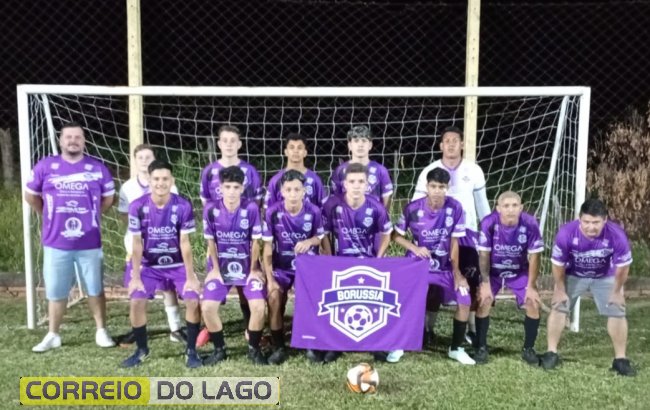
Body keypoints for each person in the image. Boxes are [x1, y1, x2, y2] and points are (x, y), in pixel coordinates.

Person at [25, 122, 116, 352]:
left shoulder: (97, 168)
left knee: (95, 288)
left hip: (89, 241)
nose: (73, 141)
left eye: (77, 137)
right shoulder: (46, 166)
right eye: (68, 137)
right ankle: (53, 334)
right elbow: (31, 196)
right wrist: (48, 215)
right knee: (56, 290)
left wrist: (93, 215)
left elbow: (108, 199)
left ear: (84, 141)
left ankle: (101, 331)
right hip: (56, 241)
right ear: (61, 140)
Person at [412, 126, 491, 345]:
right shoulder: (429, 171)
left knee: (470, 281)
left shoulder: (474, 170)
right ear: (441, 145)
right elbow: (416, 207)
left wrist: (487, 234)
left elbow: (483, 206)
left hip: (467, 234)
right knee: (434, 284)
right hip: (436, 236)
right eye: (447, 141)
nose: (451, 144)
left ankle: (471, 330)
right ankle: (428, 329)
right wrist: (419, 235)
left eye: (455, 140)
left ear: (462, 144)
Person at [540, 198, 635, 376]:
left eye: (596, 222)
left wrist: (617, 292)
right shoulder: (566, 233)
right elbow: (558, 264)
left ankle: (620, 360)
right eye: (586, 222)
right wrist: (559, 289)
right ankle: (551, 353)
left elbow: (623, 267)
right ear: (579, 219)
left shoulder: (616, 235)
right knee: (559, 306)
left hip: (605, 275)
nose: (591, 227)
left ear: (605, 220)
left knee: (617, 310)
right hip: (573, 274)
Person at [121, 160, 202, 368]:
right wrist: (136, 276)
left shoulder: (182, 205)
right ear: (149, 180)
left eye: (165, 178)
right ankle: (141, 350)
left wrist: (191, 276)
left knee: (193, 300)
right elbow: (136, 243)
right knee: (136, 300)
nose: (160, 183)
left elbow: (185, 243)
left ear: (172, 180)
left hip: (177, 265)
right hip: (149, 266)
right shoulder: (137, 206)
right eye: (156, 178)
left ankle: (191, 351)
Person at [394, 167, 474, 365]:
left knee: (465, 298)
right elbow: (395, 236)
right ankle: (399, 344)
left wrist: (457, 273)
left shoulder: (455, 208)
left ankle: (456, 348)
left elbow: (454, 243)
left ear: (448, 187)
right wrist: (415, 248)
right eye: (433, 186)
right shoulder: (413, 208)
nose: (437, 191)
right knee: (404, 299)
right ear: (426, 186)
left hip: (445, 267)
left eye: (442, 187)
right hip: (417, 266)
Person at [319, 163, 393, 364]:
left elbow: (386, 234)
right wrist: (328, 256)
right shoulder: (332, 205)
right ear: (344, 184)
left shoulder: (376, 207)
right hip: (339, 262)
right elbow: (323, 233)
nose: (356, 185)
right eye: (352, 181)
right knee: (335, 304)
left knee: (373, 303)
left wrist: (378, 259)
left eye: (361, 181)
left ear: (367, 184)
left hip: (367, 262)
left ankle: (376, 345)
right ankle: (335, 345)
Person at [198, 125, 263, 344]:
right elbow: (207, 206)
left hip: (244, 241)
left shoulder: (249, 172)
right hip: (222, 242)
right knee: (212, 292)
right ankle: (210, 329)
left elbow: (256, 203)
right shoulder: (209, 172)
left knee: (247, 290)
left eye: (233, 140)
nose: (228, 144)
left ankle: (249, 329)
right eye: (224, 140)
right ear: (218, 143)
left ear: (239, 144)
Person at [117, 144, 185, 345]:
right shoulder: (127, 187)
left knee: (168, 289)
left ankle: (176, 328)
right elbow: (124, 216)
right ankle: (137, 330)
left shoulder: (169, 186)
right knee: (137, 290)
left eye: (148, 157)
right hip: (138, 249)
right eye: (140, 158)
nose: (144, 161)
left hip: (165, 248)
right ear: (135, 161)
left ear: (154, 160)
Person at [201, 166, 268, 365]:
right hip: (221, 268)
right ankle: (219, 350)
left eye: (236, 187)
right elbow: (211, 242)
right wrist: (214, 269)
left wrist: (254, 269)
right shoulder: (210, 209)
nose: (231, 191)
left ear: (242, 188)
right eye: (227, 187)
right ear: (221, 188)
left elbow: (256, 242)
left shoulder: (251, 209)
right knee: (207, 307)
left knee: (259, 307)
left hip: (247, 268)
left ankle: (254, 349)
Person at [474, 191, 544, 364]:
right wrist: (485, 283)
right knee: (483, 300)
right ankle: (481, 347)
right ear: (498, 208)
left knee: (533, 302)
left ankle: (528, 349)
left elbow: (535, 256)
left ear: (521, 208)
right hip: (493, 271)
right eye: (506, 206)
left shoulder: (530, 223)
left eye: (514, 205)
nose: (510, 209)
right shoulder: (489, 222)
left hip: (519, 271)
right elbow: (483, 255)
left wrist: (532, 286)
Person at [262, 170, 325, 365]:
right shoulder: (272, 212)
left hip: (306, 267)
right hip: (281, 267)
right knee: (274, 297)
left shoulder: (314, 211)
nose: (293, 193)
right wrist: (270, 279)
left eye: (297, 189)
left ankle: (310, 344)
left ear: (304, 191)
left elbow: (319, 237)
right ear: (282, 191)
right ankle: (279, 346)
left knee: (307, 299)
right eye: (288, 189)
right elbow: (267, 248)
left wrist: (309, 242)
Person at [330, 125, 393, 209]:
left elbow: (386, 203)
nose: (360, 145)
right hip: (347, 215)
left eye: (364, 141)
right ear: (350, 145)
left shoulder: (381, 170)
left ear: (370, 145)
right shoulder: (340, 171)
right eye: (356, 141)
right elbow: (335, 199)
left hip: (373, 215)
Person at [264, 132, 326, 209]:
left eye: (299, 148)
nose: (295, 151)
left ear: (305, 153)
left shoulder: (315, 180)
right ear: (286, 152)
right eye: (292, 147)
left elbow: (323, 208)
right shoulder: (276, 180)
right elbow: (269, 210)